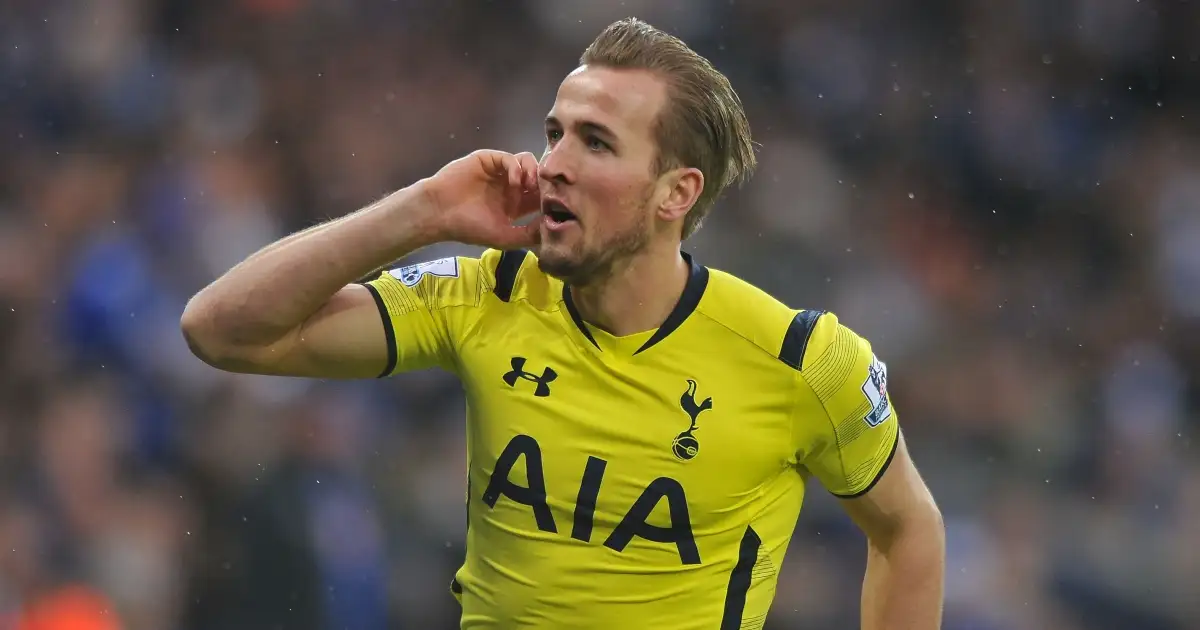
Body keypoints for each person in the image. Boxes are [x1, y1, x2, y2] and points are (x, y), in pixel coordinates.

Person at [181, 17, 945, 630]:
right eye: (555, 132)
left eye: (596, 142)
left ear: (675, 193)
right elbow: (220, 330)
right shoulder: (488, 294)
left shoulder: (799, 359)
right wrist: (423, 212)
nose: (554, 163)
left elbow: (908, 531)